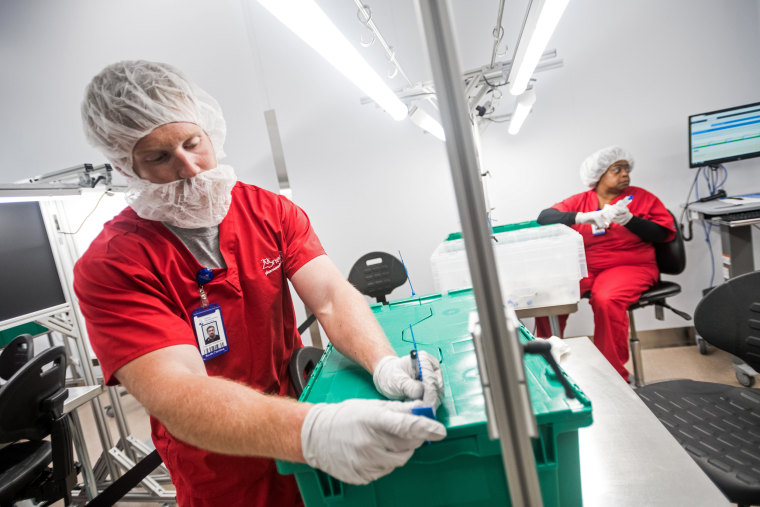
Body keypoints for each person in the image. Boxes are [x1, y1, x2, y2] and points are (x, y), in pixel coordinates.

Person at [74, 60, 446, 507]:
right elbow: (176, 390)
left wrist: (383, 363)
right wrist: (312, 432)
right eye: (159, 157)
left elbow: (329, 295)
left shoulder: (266, 210)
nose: (190, 168)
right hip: (221, 461)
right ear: (126, 165)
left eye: (193, 144)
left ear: (211, 131)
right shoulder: (112, 264)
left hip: (300, 408)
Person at [534, 146, 675, 381]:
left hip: (631, 266)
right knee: (550, 295)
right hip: (586, 267)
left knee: (607, 299)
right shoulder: (581, 201)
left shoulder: (642, 198)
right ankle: (548, 361)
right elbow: (544, 218)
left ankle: (612, 374)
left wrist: (631, 220)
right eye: (617, 169)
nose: (625, 175)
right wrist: (580, 217)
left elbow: (663, 233)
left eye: (627, 169)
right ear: (598, 175)